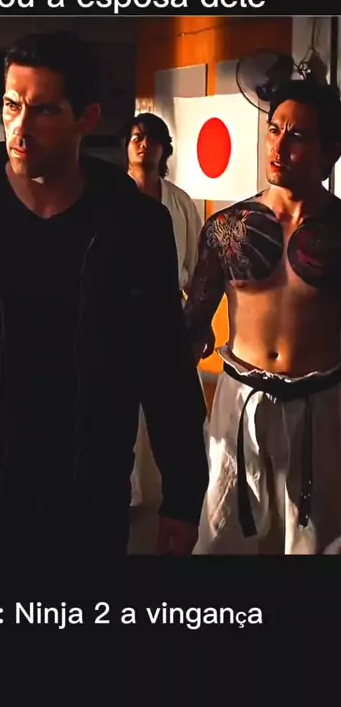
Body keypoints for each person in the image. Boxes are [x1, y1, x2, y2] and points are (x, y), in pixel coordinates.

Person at [0, 31, 208, 559]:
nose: (21, 128)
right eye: (12, 105)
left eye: (45, 110)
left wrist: (183, 497)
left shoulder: (135, 225)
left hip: (88, 496)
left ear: (86, 118)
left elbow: (165, 367)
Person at [183, 77, 341, 555]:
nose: (278, 146)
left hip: (321, 402)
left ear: (330, 152)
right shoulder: (226, 229)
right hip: (240, 398)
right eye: (274, 130)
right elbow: (193, 325)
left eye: (298, 136)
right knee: (220, 536)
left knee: (317, 543)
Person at [121, 112, 206, 509]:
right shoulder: (111, 197)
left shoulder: (179, 202)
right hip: (120, 312)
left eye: (152, 138)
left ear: (164, 149)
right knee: (122, 410)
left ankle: (184, 493)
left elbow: (196, 268)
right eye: (136, 137)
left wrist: (198, 323)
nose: (144, 145)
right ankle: (127, 492)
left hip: (169, 310)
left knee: (177, 410)